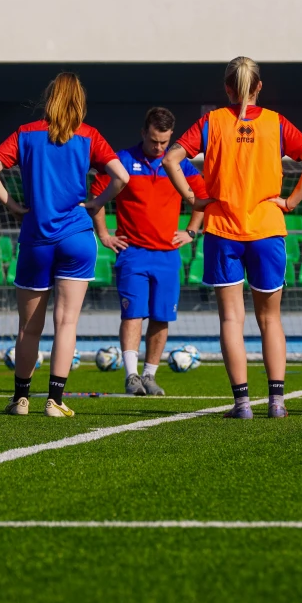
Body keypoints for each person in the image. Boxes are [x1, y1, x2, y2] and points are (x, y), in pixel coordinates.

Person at [165, 57, 302, 420]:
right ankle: (277, 402)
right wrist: (291, 202)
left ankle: (242, 404)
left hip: (222, 229)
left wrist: (193, 199)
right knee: (271, 319)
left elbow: (172, 159)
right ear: (259, 87)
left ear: (227, 88)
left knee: (231, 320)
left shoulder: (212, 122)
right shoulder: (276, 123)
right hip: (268, 228)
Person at [0, 73, 128, 418]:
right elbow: (122, 177)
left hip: (36, 238)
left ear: (49, 98)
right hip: (77, 237)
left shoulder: (25, 133)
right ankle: (55, 401)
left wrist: (12, 205)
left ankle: (20, 400)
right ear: (79, 100)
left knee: (28, 327)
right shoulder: (89, 135)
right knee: (66, 324)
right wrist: (95, 203)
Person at [92, 107, 208, 397]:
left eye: (164, 142)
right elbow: (96, 196)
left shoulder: (179, 165)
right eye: (154, 140)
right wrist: (104, 234)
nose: (159, 147)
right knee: (133, 315)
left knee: (161, 317)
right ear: (143, 132)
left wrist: (192, 231)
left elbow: (202, 198)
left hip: (168, 255)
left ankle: (150, 375)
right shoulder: (123, 160)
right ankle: (131, 376)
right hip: (133, 253)